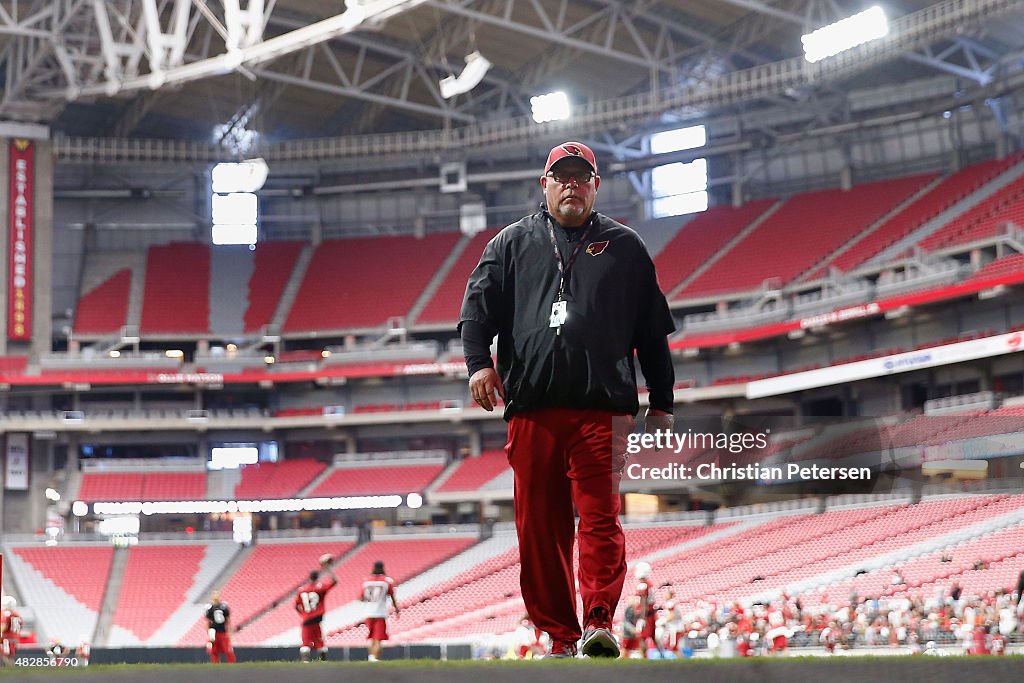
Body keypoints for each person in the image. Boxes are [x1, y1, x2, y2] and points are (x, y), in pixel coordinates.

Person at [460, 141, 675, 658]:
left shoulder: (625, 246)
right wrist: (478, 365)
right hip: (532, 407)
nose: (572, 185)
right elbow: (475, 312)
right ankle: (561, 636)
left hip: (602, 408)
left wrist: (662, 399)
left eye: (582, 177)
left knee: (599, 516)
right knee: (540, 528)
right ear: (545, 184)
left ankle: (598, 619)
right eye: (563, 177)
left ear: (596, 186)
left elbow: (652, 331)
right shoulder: (510, 244)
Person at [295, 556, 338, 662]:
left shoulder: (302, 590)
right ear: (317, 577)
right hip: (317, 617)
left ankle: (305, 661)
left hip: (307, 618)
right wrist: (328, 569)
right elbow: (334, 582)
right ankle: (323, 660)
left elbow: (296, 606)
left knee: (306, 641)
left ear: (309, 578)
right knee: (319, 640)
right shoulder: (320, 587)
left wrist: (303, 615)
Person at [359, 561, 399, 662]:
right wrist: (396, 609)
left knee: (372, 638)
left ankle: (370, 657)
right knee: (378, 639)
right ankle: (374, 658)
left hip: (368, 612)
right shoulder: (386, 581)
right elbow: (392, 596)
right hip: (380, 612)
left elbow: (361, 598)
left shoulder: (366, 581)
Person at [204, 592, 236, 664]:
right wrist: (208, 634)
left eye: (217, 596)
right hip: (213, 632)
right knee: (214, 651)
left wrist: (230, 632)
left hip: (222, 631)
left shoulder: (224, 607)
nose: (216, 598)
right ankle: (216, 665)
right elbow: (207, 622)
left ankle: (232, 664)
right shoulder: (210, 608)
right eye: (214, 596)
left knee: (227, 650)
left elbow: (228, 620)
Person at [1, 596, 22, 666]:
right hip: (15, 638)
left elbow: (4, 626)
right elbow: (20, 626)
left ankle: (12, 673)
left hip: (6, 638)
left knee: (5, 656)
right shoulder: (17, 614)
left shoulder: (6, 613)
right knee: (10, 656)